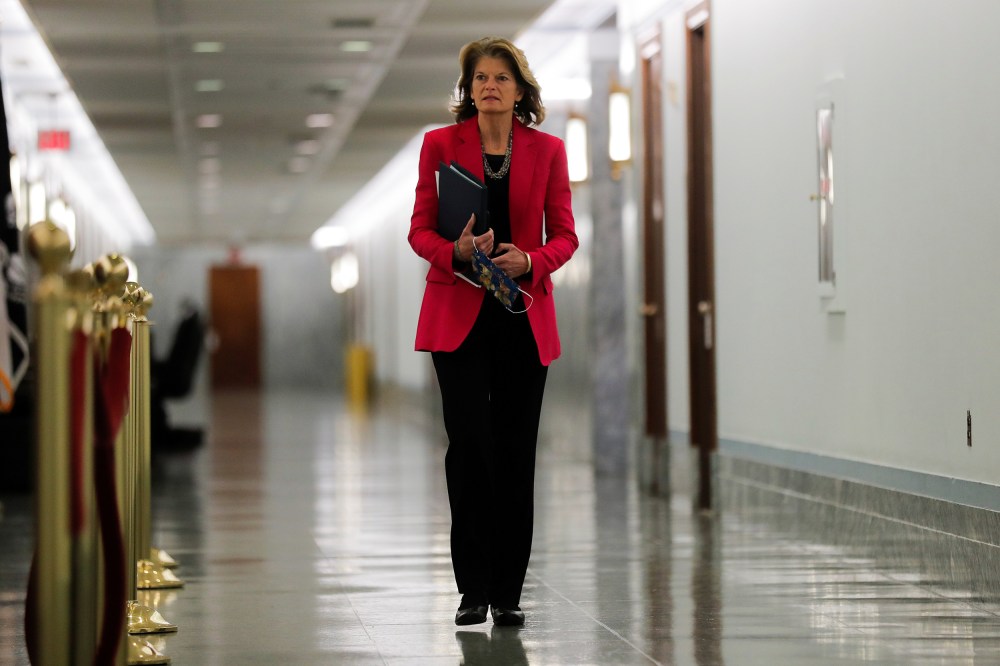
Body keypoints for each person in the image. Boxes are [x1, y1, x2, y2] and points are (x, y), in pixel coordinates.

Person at [407, 36, 578, 627]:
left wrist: (529, 260)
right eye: (479, 77)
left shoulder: (549, 151)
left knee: (514, 452)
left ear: (520, 90)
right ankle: (471, 587)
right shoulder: (438, 146)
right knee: (469, 448)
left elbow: (565, 236)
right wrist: (455, 251)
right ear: (468, 89)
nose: (489, 86)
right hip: (459, 317)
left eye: (501, 77)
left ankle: (507, 591)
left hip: (522, 318)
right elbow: (419, 232)